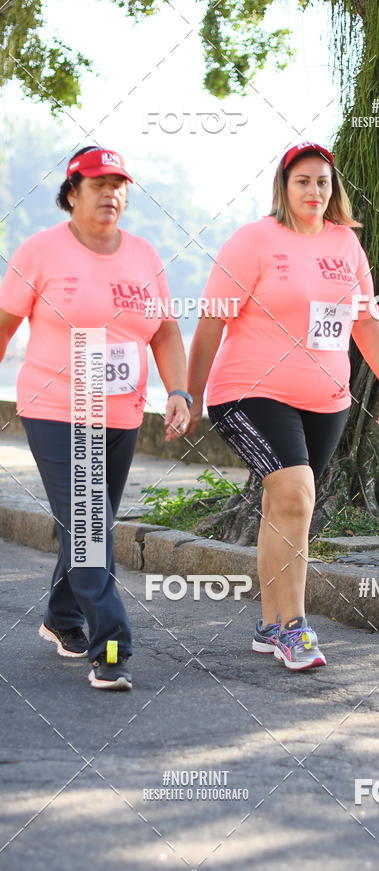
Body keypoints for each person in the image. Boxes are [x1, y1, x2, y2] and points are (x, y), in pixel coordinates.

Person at [187, 141, 379, 671]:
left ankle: (268, 624)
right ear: (284, 187)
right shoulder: (254, 241)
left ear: (334, 189)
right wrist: (188, 394)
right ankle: (295, 627)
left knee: (284, 507)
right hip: (249, 392)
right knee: (297, 495)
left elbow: (364, 321)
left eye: (323, 181)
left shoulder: (345, 244)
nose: (314, 190)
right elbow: (212, 320)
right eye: (302, 180)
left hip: (327, 400)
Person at [0, 146, 191, 690]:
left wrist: (178, 390)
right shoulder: (41, 252)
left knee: (89, 526)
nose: (111, 193)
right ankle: (112, 646)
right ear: (72, 193)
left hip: (122, 413)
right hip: (57, 409)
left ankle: (61, 619)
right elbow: (4, 326)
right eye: (98, 184)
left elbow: (165, 333)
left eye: (118, 185)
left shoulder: (144, 256)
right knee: (89, 526)